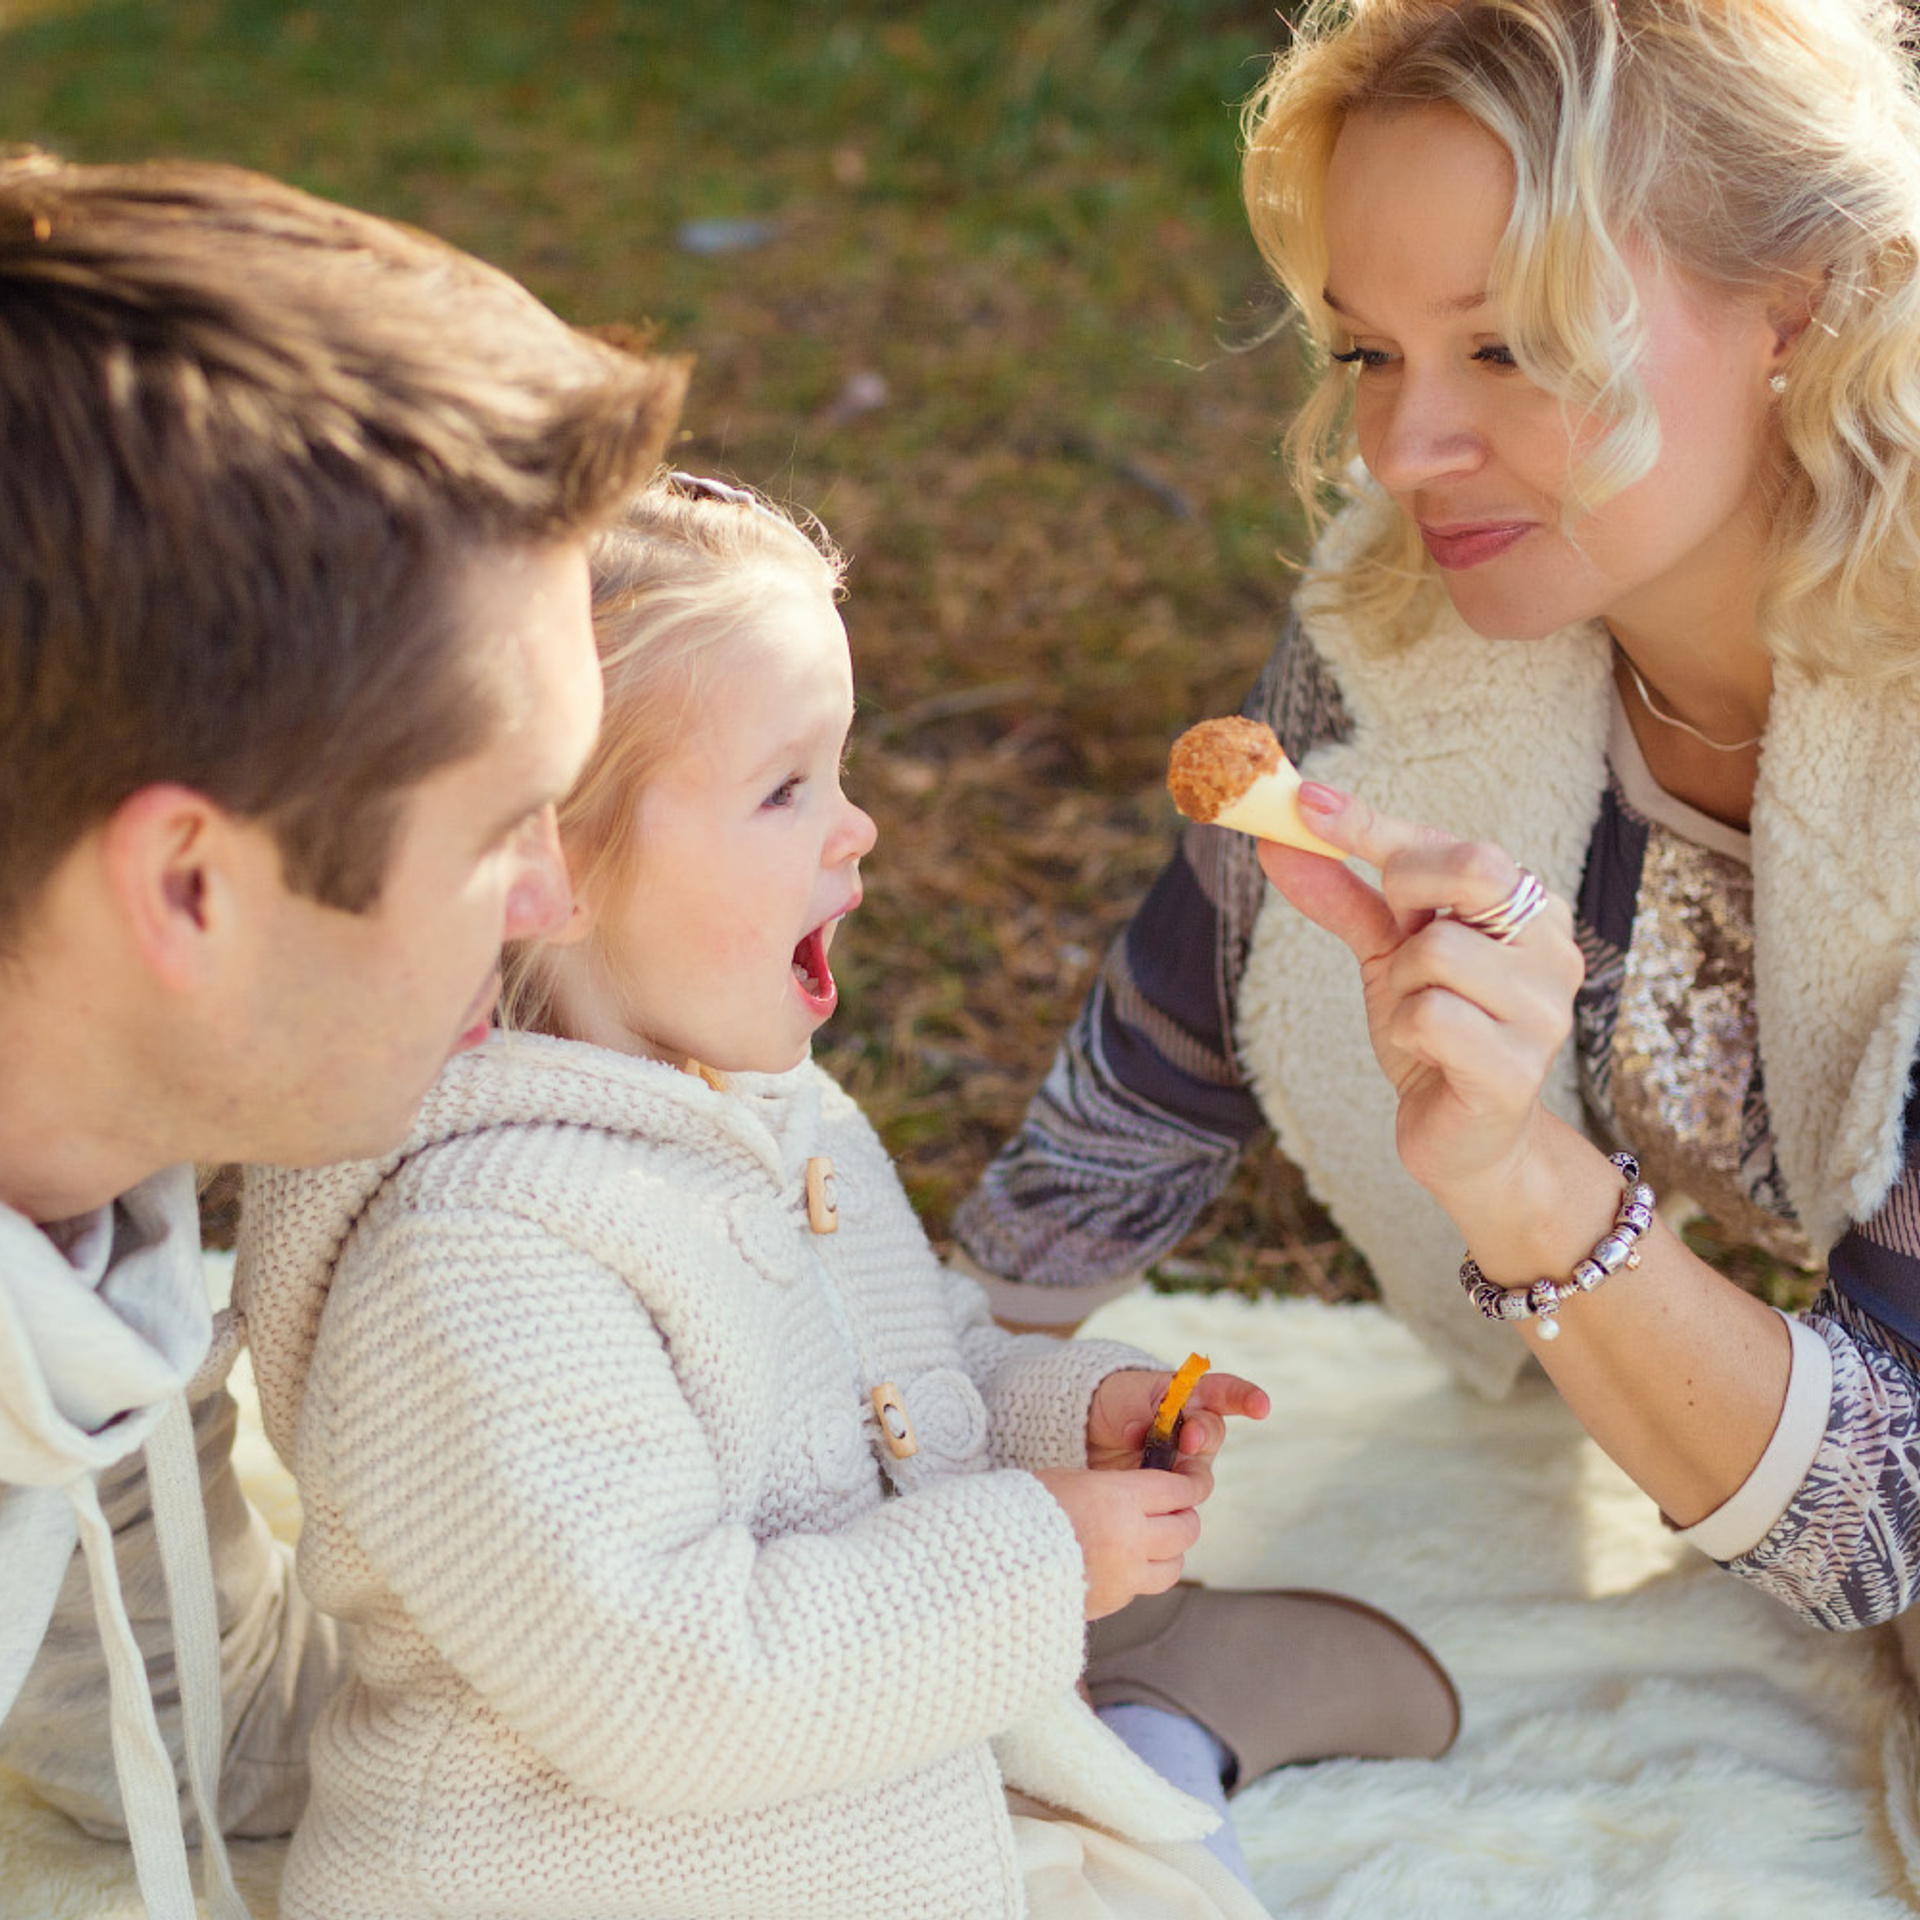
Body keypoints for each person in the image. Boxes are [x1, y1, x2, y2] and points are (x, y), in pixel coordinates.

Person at [234, 473, 1459, 1920]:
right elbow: (672, 1686)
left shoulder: (770, 1119)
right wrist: (1039, 1556)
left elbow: (894, 1377)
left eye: (843, 769)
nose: (859, 828)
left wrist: (1061, 1414)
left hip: (868, 1822)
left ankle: (1167, 1724)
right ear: (543, 869)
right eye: (785, 787)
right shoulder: (475, 1264)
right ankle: (1170, 1716)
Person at [956, 0, 1920, 1650]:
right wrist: (914, 1406)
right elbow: (1154, 1077)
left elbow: (1883, 1526)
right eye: (1367, 353)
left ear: (1799, 300)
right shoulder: (1401, 633)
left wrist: (1521, 1180)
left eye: (1511, 346)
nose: (1405, 451)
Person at [0, 151, 686, 1920]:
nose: (552, 900)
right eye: (499, 829)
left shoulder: (82, 1153)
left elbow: (203, 1727)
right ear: (192, 889)